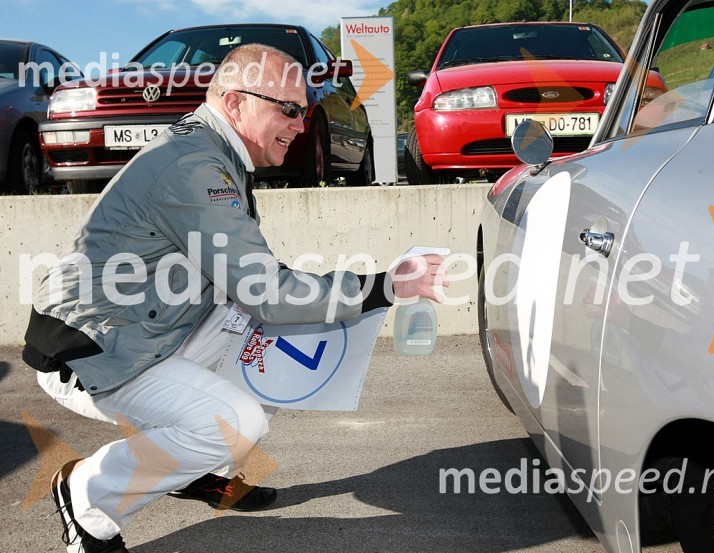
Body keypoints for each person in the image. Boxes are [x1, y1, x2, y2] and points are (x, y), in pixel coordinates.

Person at [22, 44, 448, 553]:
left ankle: (185, 469)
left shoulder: (212, 150)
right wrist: (385, 286)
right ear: (234, 101)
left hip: (148, 328)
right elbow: (267, 291)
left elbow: (254, 280)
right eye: (286, 109)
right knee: (233, 421)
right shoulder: (194, 168)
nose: (299, 122)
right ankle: (89, 498)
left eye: (306, 110)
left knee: (265, 361)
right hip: (92, 348)